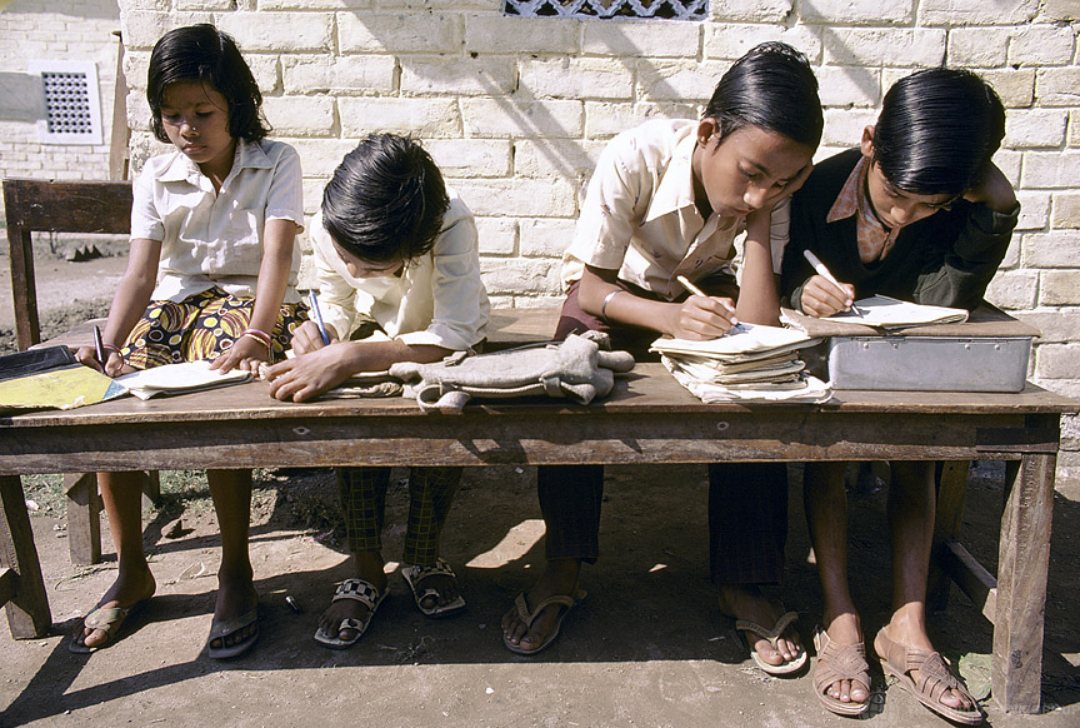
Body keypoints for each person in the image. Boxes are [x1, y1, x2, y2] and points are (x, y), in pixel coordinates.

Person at [500, 42, 822, 669]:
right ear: (707, 133)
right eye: (751, 174)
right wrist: (670, 317)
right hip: (621, 298)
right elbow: (590, 286)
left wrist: (757, 222)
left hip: (710, 303)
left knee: (755, 384)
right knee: (570, 369)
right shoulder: (636, 155)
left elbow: (758, 322)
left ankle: (744, 579)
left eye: (784, 181)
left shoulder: (773, 195)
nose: (762, 193)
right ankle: (563, 564)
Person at [781, 68, 1017, 724]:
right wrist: (805, 294)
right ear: (869, 144)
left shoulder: (962, 205)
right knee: (832, 445)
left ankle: (908, 627)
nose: (904, 216)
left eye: (928, 207)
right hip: (825, 367)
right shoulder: (815, 184)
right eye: (896, 197)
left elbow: (946, 300)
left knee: (921, 447)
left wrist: (996, 206)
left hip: (912, 362)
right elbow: (773, 274)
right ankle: (842, 617)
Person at [69, 24, 306, 659]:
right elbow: (142, 273)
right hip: (176, 303)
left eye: (203, 113)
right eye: (172, 116)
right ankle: (132, 570)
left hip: (249, 304)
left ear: (238, 105)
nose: (187, 130)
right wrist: (108, 343)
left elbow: (276, 258)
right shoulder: (156, 173)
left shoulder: (276, 160)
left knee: (218, 383)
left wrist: (257, 333)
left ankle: (235, 568)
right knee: (114, 396)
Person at [265, 134, 489, 649]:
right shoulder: (330, 225)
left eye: (370, 265)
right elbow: (337, 304)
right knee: (355, 424)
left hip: (443, 345)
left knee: (447, 413)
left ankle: (423, 553)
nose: (353, 271)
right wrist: (323, 336)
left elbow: (453, 332)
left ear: (414, 246)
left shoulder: (451, 222)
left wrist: (352, 355)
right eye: (347, 257)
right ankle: (365, 567)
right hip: (374, 343)